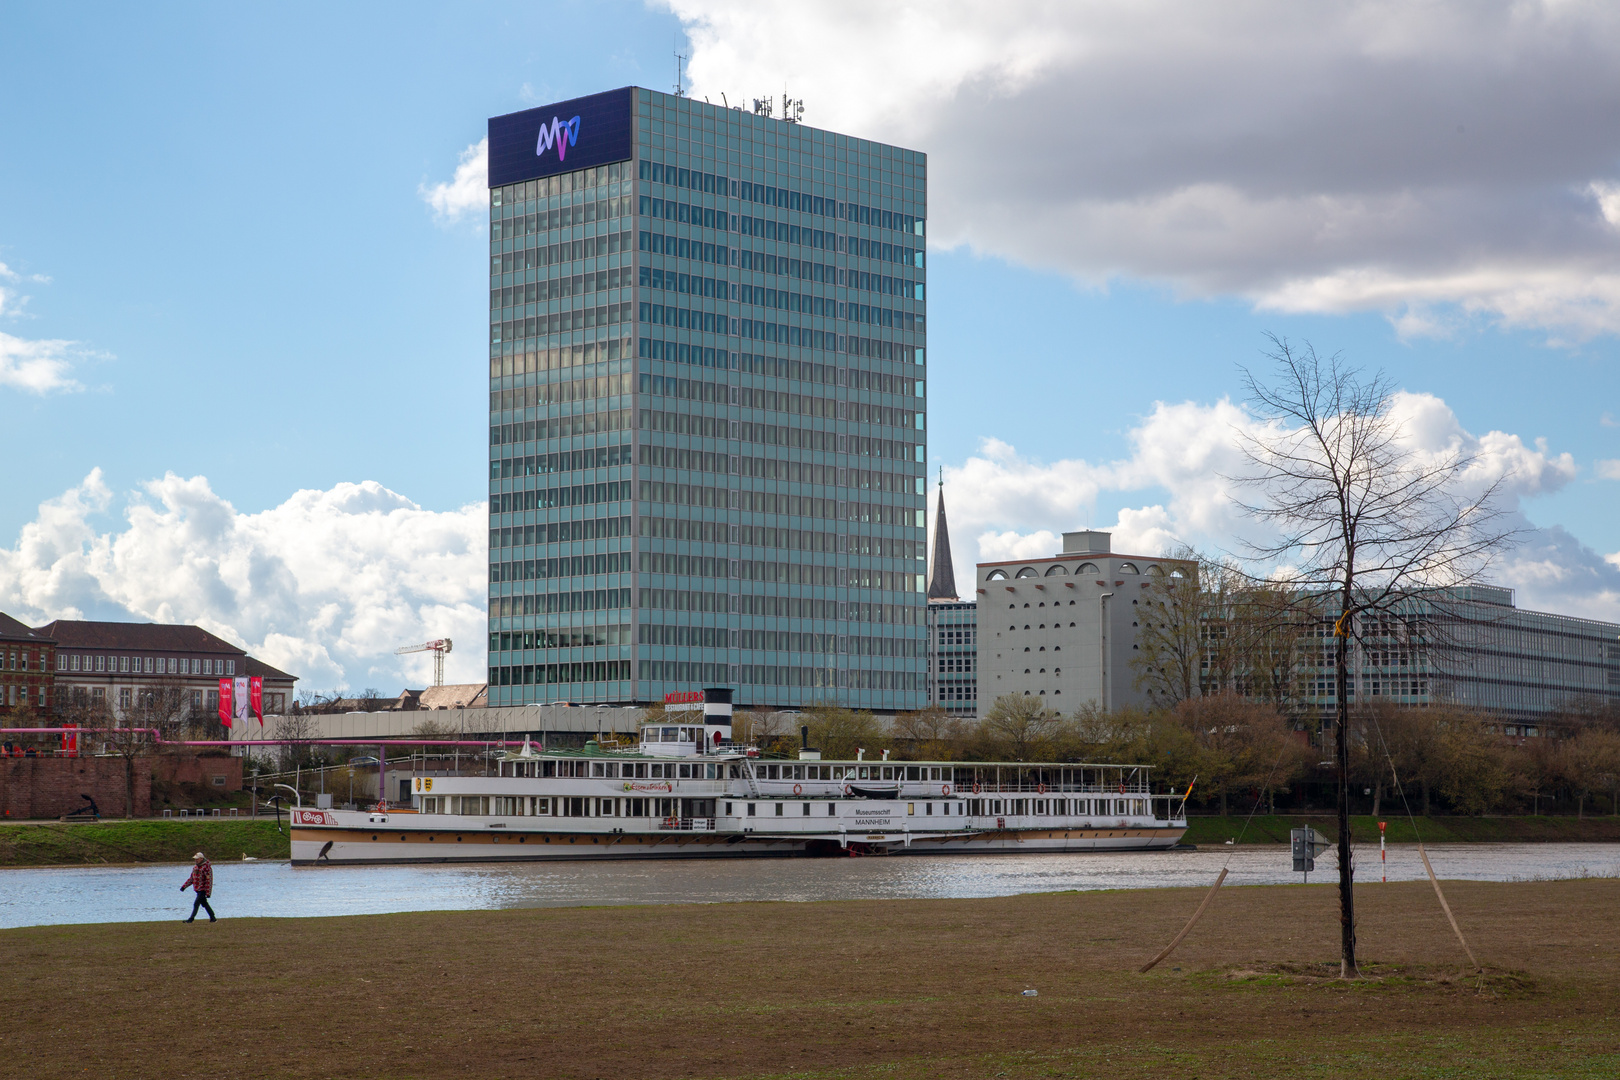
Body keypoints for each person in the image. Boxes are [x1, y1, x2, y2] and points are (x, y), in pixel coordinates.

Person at [181, 852, 216, 923]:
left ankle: (191, 919)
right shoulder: (195, 867)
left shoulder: (207, 868)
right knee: (204, 904)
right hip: (197, 889)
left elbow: (209, 881)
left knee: (196, 903)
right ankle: (213, 918)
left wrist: (208, 892)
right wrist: (184, 886)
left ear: (201, 859)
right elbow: (191, 879)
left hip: (203, 889)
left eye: (197, 859)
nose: (196, 860)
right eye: (195, 859)